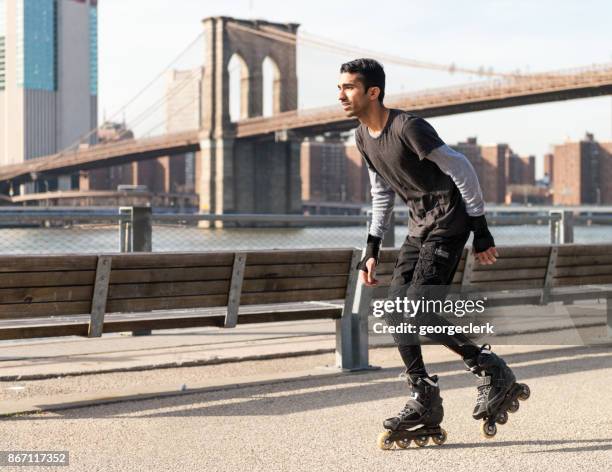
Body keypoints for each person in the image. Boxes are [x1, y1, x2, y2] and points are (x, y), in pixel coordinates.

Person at [337, 58, 529, 445]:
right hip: (418, 228)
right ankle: (424, 399)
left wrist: (481, 229)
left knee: (420, 309)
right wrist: (372, 246)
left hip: (448, 223)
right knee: (396, 311)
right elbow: (380, 192)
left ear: (373, 92)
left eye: (349, 88)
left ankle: (492, 371)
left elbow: (461, 167)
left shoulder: (408, 127)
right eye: (339, 88)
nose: (341, 95)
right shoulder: (361, 135)